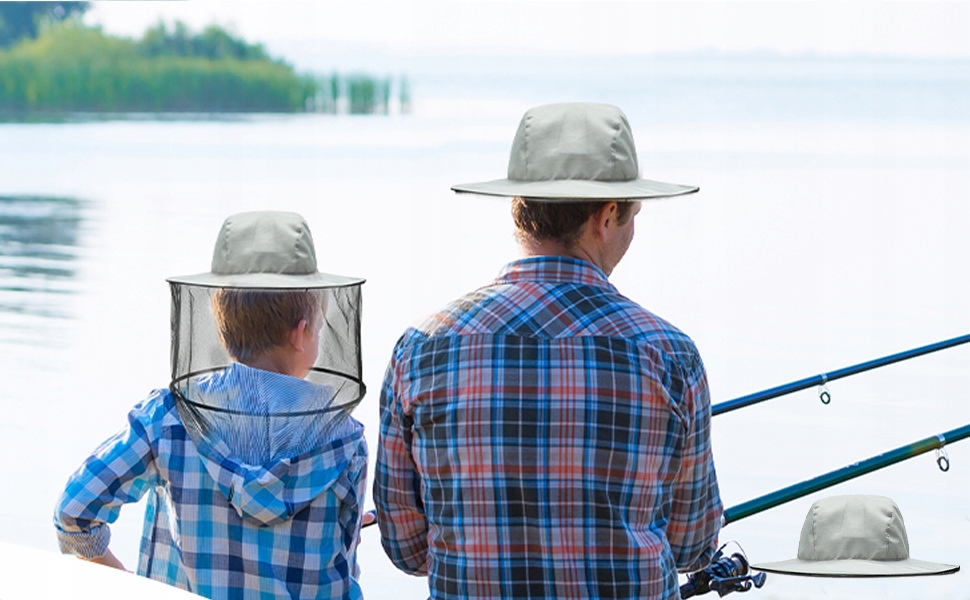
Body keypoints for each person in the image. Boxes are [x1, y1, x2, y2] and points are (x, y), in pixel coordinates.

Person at [374, 102, 722, 599]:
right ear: (606, 217)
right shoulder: (670, 356)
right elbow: (692, 546)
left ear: (518, 207)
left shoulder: (421, 349)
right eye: (633, 214)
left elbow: (406, 548)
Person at [54, 211, 369, 599]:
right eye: (319, 326)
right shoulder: (344, 438)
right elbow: (345, 569)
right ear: (301, 334)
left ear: (222, 327)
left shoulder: (167, 417)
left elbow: (75, 514)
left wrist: (130, 587)